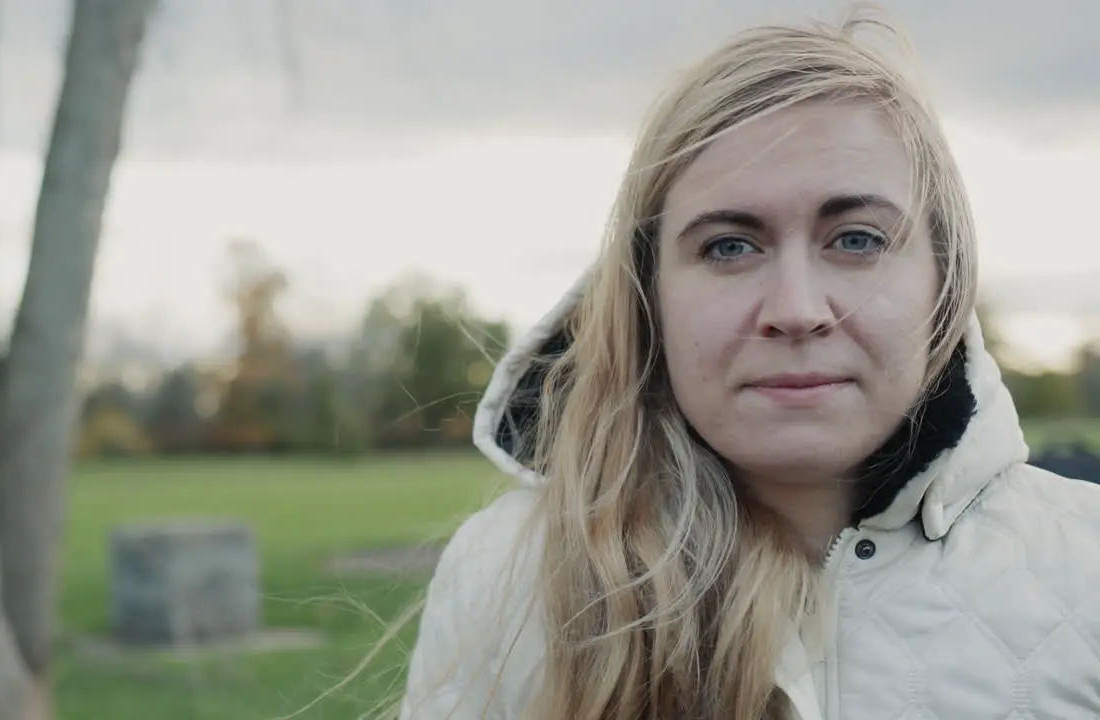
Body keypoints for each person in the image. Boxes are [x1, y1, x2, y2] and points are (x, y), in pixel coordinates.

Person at [398, 6, 1100, 720]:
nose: (796, 309)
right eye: (730, 247)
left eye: (856, 239)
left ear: (942, 286)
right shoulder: (507, 571)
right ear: (651, 300)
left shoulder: (1088, 566)